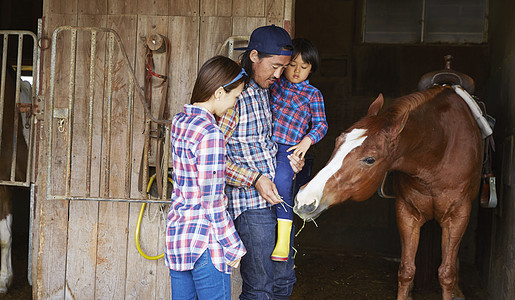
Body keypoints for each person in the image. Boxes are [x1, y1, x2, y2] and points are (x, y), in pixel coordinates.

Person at [218, 25, 304, 300]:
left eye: (284, 67)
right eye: (275, 66)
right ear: (254, 56)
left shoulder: (268, 90)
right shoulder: (234, 96)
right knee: (260, 288)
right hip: (250, 205)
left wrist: (290, 164)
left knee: (283, 282)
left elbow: (267, 144)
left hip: (276, 201)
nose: (279, 75)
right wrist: (255, 179)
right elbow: (212, 159)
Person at [165, 55, 247, 300]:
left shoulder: (180, 122)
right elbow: (211, 200)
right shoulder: (210, 133)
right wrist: (233, 244)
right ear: (219, 92)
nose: (234, 105)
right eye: (235, 97)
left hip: (178, 235)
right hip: (205, 241)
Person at [270, 38, 328, 261]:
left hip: (289, 149)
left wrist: (306, 141)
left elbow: (321, 124)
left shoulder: (313, 94)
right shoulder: (274, 84)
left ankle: (283, 242)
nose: (296, 71)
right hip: (266, 145)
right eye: (292, 65)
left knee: (283, 185)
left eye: (304, 67)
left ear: (311, 69)